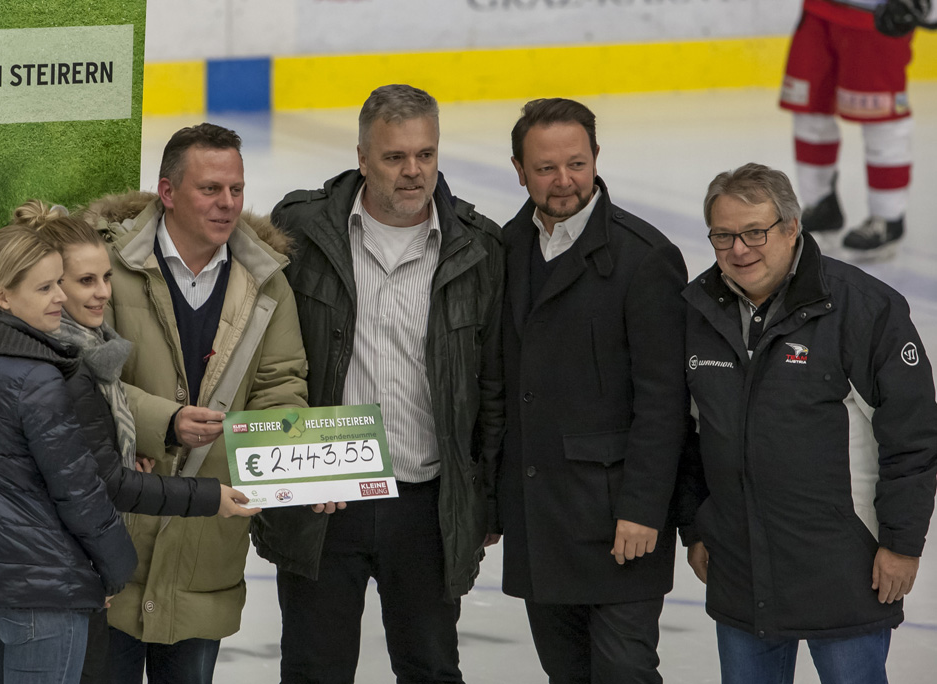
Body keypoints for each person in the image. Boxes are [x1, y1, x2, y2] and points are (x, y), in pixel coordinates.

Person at [252, 83, 505, 684]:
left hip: (426, 502)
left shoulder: (479, 245)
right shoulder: (301, 227)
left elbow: (493, 387)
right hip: (324, 491)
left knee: (431, 669)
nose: (413, 171)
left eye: (425, 154)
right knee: (314, 671)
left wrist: (487, 497)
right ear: (363, 159)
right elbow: (263, 356)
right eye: (394, 157)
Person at [679, 162, 937, 684]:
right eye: (723, 235)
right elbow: (687, 434)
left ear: (792, 227)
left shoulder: (863, 309)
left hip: (845, 569)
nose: (739, 250)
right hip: (741, 568)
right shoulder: (699, 312)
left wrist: (901, 544)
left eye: (755, 232)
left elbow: (912, 438)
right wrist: (697, 527)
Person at [80, 122, 309, 683]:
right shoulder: (106, 266)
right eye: (210, 189)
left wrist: (302, 466)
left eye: (236, 189)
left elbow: (281, 386)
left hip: (205, 546)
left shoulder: (268, 282)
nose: (227, 202)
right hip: (113, 536)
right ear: (168, 192)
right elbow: (83, 375)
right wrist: (166, 423)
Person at [10, 200, 261, 683]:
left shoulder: (90, 351)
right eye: (86, 281)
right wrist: (209, 497)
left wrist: (119, 449)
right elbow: (99, 483)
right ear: (50, 283)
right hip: (57, 575)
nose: (103, 292)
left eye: (106, 277)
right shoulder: (62, 365)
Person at [493, 97, 689, 684]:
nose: (564, 181)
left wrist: (643, 510)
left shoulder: (646, 257)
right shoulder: (504, 248)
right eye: (546, 168)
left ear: (596, 158)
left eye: (576, 164)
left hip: (618, 525)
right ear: (519, 170)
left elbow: (664, 402)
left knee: (624, 672)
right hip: (539, 516)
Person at [0, 224, 139, 684]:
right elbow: (78, 490)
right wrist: (117, 568)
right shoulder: (37, 378)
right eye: (45, 288)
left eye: (59, 282)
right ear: (3, 297)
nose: (60, 297)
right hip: (40, 596)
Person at [780, 0, 917, 259]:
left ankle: (888, 218)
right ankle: (820, 206)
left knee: (882, 119)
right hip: (818, 10)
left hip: (876, 17)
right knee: (808, 109)